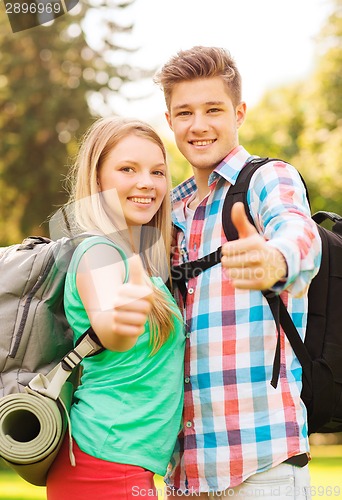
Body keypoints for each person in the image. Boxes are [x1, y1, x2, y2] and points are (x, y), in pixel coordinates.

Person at [153, 46, 322, 498]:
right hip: (186, 476)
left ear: (239, 112)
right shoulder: (171, 213)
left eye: (213, 109)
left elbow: (300, 235)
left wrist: (275, 259)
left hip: (261, 467)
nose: (199, 124)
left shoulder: (268, 179)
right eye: (184, 112)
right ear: (169, 120)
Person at [46, 116, 185, 500]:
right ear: (98, 179)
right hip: (105, 466)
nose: (147, 182)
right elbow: (110, 328)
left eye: (158, 171)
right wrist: (119, 326)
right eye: (128, 169)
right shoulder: (100, 252)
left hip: (115, 464)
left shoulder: (133, 257)